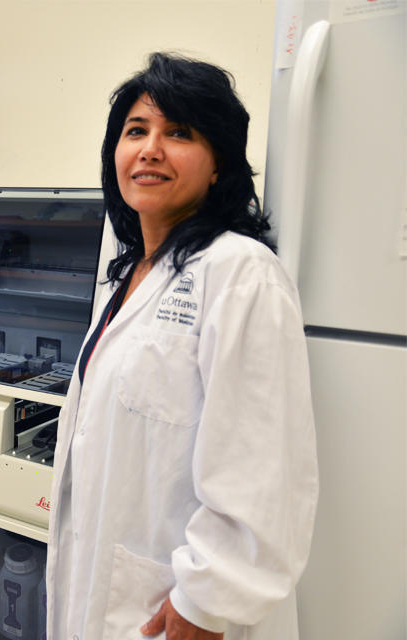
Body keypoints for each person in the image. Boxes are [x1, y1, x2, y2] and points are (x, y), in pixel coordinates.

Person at [45, 53, 318, 640]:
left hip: (181, 612)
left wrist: (209, 600)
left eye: (179, 133)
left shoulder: (242, 273)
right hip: (111, 588)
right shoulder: (129, 275)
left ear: (218, 163)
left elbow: (263, 463)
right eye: (136, 131)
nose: (149, 149)